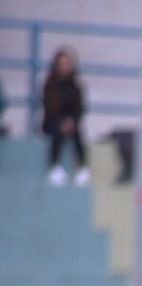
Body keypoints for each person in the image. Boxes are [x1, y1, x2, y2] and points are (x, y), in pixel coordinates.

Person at [41, 48, 88, 187]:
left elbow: (79, 108)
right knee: (57, 132)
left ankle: (82, 167)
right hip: (53, 121)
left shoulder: (75, 85)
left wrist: (71, 121)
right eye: (61, 63)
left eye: (67, 63)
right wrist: (61, 122)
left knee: (77, 133)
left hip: (71, 121)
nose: (64, 66)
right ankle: (54, 165)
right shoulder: (50, 84)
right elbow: (49, 107)